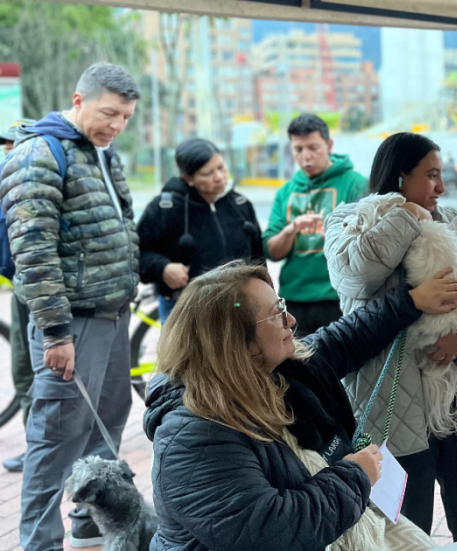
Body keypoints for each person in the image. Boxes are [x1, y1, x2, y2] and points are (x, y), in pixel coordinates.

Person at [145, 261, 457, 550]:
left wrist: (411, 301)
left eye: (282, 306)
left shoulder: (282, 373)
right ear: (234, 341)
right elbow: (273, 530)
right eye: (276, 313)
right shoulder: (195, 436)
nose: (290, 319)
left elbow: (346, 337)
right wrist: (355, 475)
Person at [325, 132, 457, 541]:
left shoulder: (453, 220)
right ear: (399, 176)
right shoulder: (349, 221)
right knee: (404, 535)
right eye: (431, 175)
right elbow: (358, 274)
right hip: (393, 414)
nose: (441, 187)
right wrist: (407, 215)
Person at [0, 63, 140, 551]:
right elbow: (33, 251)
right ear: (78, 101)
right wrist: (55, 332)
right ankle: (39, 542)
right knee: (57, 435)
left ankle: (88, 521)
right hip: (72, 322)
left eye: (126, 117)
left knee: (110, 417)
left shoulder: (104, 151)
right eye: (109, 113)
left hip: (113, 314)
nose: (117, 125)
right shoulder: (39, 152)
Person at [262, 114, 369, 337]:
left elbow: (370, 240)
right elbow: (271, 251)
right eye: (298, 149)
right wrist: (291, 229)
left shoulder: (356, 184)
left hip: (340, 296)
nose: (306, 156)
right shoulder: (286, 192)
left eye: (313, 148)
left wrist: (337, 235)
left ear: (329, 145)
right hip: (295, 297)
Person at [138, 138, 264, 322]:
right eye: (208, 173)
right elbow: (138, 254)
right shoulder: (165, 208)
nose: (219, 177)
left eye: (221, 167)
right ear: (188, 178)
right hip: (185, 309)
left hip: (238, 306)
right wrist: (163, 268)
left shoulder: (240, 205)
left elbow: (259, 258)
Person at [0, 118, 36, 473]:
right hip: (19, 289)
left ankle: (42, 450)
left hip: (39, 292)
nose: (7, 150)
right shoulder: (8, 182)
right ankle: (36, 446)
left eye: (13, 144)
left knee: (37, 375)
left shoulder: (37, 185)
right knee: (23, 372)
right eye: (5, 145)